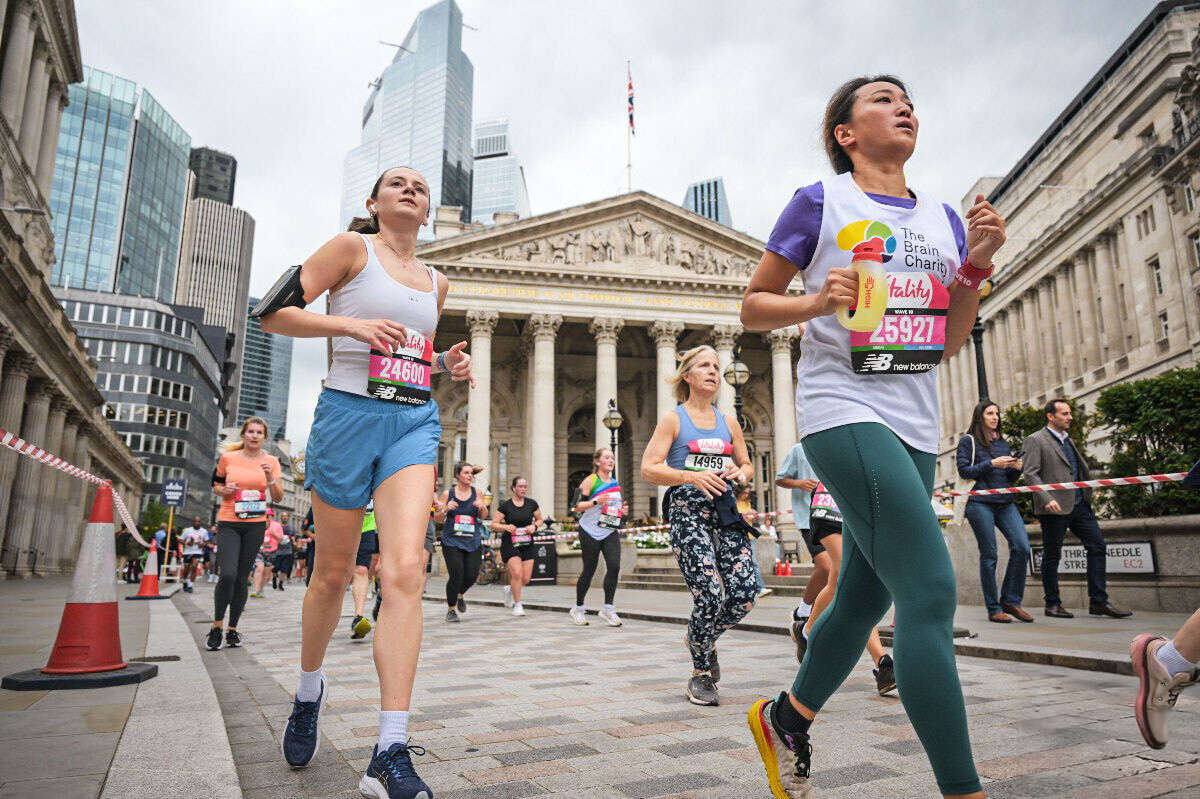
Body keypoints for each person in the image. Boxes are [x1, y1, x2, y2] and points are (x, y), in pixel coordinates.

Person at [740, 75, 1007, 798]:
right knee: (927, 589)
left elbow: (949, 342)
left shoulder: (946, 218)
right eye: (884, 98)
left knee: (861, 595)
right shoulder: (821, 203)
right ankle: (964, 789)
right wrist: (813, 299)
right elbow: (752, 307)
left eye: (909, 99)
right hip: (842, 405)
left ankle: (786, 717)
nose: (904, 106)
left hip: (916, 415)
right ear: (845, 134)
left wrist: (976, 264)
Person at [258, 165, 474, 797]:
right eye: (397, 183)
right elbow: (272, 314)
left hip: (412, 423)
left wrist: (441, 363)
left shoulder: (438, 283)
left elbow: (403, 358)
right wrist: (348, 325)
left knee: (405, 570)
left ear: (428, 210)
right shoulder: (352, 250)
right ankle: (307, 691)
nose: (410, 189)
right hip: (347, 417)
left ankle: (390, 747)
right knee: (331, 572)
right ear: (375, 203)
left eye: (419, 186)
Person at [641, 345, 760, 706]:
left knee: (744, 594)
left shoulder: (730, 422)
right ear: (687, 376)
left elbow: (747, 464)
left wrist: (741, 472)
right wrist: (689, 476)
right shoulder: (673, 419)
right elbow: (649, 467)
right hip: (687, 509)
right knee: (708, 593)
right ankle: (700, 673)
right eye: (704, 366)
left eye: (715, 366)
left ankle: (699, 637)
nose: (712, 371)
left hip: (725, 509)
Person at [1023, 399, 1131, 620]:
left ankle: (1099, 601)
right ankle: (1052, 604)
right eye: (1064, 413)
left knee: (1098, 546)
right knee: (1052, 555)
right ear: (1050, 416)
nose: (1070, 417)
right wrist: (1046, 498)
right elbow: (1030, 473)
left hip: (1080, 504)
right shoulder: (1035, 439)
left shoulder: (1067, 439)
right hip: (1054, 507)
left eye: (1070, 413)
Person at [796, 480, 895, 696]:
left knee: (847, 585)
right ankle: (808, 630)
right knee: (846, 575)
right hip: (832, 504)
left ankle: (882, 664)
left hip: (863, 505)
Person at [208, 417, 283, 650]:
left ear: (264, 437)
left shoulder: (272, 461)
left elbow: (278, 497)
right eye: (250, 431)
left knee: (242, 577)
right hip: (229, 521)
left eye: (259, 432)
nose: (254, 435)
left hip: (256, 524)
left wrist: (270, 478)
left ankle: (232, 629)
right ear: (243, 435)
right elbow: (216, 486)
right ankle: (216, 625)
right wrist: (224, 490)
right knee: (228, 573)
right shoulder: (228, 458)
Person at [956, 402, 1033, 623]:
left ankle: (1011, 600)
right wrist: (991, 463)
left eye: (997, 413)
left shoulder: (1002, 442)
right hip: (979, 502)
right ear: (980, 417)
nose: (995, 417)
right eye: (990, 413)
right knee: (989, 554)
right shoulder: (968, 441)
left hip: (1005, 502)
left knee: (1022, 546)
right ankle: (993, 608)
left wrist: (1015, 469)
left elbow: (1006, 478)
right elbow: (964, 471)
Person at [571, 448, 629, 627]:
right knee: (589, 569)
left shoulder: (614, 483)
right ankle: (578, 609)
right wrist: (596, 501)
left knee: (614, 566)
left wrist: (623, 513)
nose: (611, 460)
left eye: (612, 457)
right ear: (597, 462)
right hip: (589, 530)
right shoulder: (591, 480)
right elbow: (575, 506)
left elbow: (614, 510)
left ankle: (608, 609)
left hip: (609, 529)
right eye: (606, 457)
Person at [434, 462, 489, 622]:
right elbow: (437, 518)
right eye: (466, 473)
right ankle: (451, 610)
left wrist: (482, 507)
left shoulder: (477, 492)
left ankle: (460, 595)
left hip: (472, 539)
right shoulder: (447, 493)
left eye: (471, 473)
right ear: (458, 475)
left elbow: (483, 516)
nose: (470, 475)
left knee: (471, 575)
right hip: (452, 540)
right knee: (456, 574)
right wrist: (445, 509)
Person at [492, 476, 544, 617]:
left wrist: (534, 526)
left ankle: (510, 589)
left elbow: (540, 519)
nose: (523, 489)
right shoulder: (506, 505)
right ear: (514, 488)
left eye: (525, 486)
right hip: (510, 543)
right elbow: (493, 524)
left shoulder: (532, 504)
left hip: (527, 542)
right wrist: (505, 526)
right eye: (520, 486)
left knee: (525, 579)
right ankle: (518, 605)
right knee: (516, 573)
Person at [350, 501, 381, 638]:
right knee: (336, 574)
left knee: (362, 570)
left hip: (367, 525)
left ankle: (359, 617)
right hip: (341, 522)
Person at [251, 510, 283, 599]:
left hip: (272, 551)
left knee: (266, 573)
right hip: (260, 550)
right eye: (266, 515)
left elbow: (281, 539)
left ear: (272, 516)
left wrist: (275, 534)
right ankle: (256, 590)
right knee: (259, 569)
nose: (268, 517)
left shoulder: (277, 525)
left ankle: (261, 590)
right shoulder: (258, 523)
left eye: (269, 515)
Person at [180, 516, 210, 593]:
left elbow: (207, 541)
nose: (197, 523)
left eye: (198, 521)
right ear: (192, 522)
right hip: (187, 552)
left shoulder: (204, 531)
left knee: (194, 567)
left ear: (200, 523)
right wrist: (187, 543)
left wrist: (203, 544)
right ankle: (185, 582)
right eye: (195, 521)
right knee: (186, 570)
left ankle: (190, 586)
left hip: (197, 552)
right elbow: (180, 540)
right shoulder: (187, 530)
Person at [273, 511, 295, 589]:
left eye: (286, 516)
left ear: (288, 517)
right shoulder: (277, 526)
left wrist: (294, 542)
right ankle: (274, 578)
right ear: (281, 517)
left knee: (284, 569)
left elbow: (293, 537)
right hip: (278, 551)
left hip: (288, 551)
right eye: (283, 516)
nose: (284, 517)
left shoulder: (291, 527)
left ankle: (280, 584)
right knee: (275, 568)